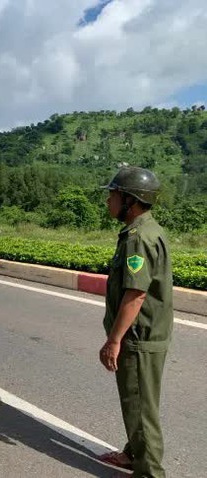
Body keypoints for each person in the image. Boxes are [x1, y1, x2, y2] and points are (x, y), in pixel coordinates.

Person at [98, 166, 173, 478]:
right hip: (147, 333)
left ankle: (150, 472)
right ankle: (132, 454)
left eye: (113, 195)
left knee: (141, 409)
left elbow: (136, 295)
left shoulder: (138, 238)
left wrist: (113, 340)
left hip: (138, 336)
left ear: (131, 200)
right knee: (139, 401)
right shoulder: (148, 229)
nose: (108, 201)